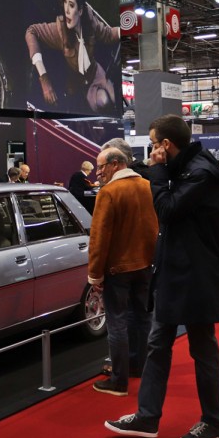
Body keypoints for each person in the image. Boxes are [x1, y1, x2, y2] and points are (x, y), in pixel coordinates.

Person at [106, 114, 219, 438]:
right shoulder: (187, 167)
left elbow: (168, 209)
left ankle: (213, 422)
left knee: (202, 347)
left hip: (197, 274)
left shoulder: (201, 171)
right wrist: (157, 171)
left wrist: (158, 172)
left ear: (166, 145)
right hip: (175, 272)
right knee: (158, 344)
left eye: (153, 143)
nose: (151, 150)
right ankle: (147, 416)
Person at [88, 147, 157, 396]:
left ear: (115, 164)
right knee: (142, 318)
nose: (99, 172)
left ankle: (118, 380)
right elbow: (154, 228)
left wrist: (95, 274)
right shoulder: (148, 187)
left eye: (101, 167)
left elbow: (98, 238)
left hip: (118, 268)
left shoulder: (108, 193)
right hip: (145, 265)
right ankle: (138, 366)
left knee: (117, 323)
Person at [25, 0, 120, 112]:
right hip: (80, 86)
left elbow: (108, 34)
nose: (66, 10)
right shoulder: (60, 30)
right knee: (103, 101)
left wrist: (126, 29)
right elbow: (31, 31)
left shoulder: (90, 22)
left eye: (71, 5)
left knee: (116, 99)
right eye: (64, 2)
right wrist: (44, 78)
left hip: (97, 73)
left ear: (80, 10)